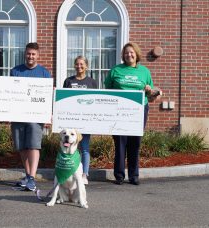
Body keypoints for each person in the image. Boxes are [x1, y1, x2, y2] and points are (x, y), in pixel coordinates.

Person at [104, 42, 161, 185]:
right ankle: (119, 175)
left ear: (136, 54)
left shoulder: (144, 72)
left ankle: (134, 175)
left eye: (131, 52)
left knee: (135, 142)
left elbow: (152, 96)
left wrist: (150, 91)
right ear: (123, 55)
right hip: (118, 111)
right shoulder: (116, 70)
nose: (129, 55)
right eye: (126, 53)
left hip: (139, 110)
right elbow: (107, 90)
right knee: (120, 142)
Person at [10, 42, 51, 191]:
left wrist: (48, 115)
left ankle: (32, 178)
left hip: (36, 116)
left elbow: (47, 96)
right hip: (18, 115)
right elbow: (9, 92)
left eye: (33, 54)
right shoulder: (15, 71)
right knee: (22, 147)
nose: (30, 56)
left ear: (38, 55)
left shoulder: (44, 73)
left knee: (33, 145)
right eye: (28, 53)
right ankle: (27, 175)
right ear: (25, 54)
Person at [63, 55, 97, 185]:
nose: (79, 66)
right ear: (74, 66)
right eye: (77, 64)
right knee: (71, 147)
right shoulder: (68, 81)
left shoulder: (92, 82)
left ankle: (84, 174)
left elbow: (95, 101)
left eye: (82, 64)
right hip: (71, 121)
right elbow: (63, 100)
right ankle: (71, 172)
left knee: (85, 148)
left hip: (86, 121)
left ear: (86, 66)